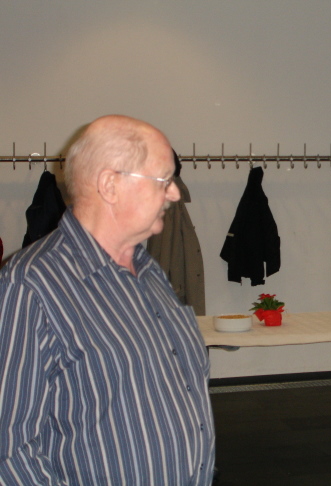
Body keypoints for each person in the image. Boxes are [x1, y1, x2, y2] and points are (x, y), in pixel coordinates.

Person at [0, 115, 215, 485]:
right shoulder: (30, 284)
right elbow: (9, 452)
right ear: (110, 185)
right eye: (163, 180)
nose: (175, 194)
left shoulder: (148, 271)